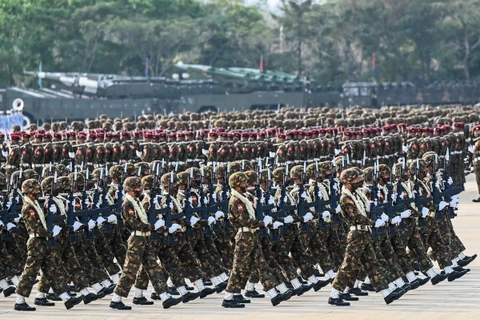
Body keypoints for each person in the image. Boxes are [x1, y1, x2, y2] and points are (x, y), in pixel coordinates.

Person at [109, 177, 183, 310]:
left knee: (154, 268)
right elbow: (134, 224)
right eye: (137, 188)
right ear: (130, 189)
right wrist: (152, 227)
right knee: (130, 271)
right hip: (137, 240)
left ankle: (165, 297)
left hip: (145, 239)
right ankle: (116, 299)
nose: (140, 190)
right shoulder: (128, 204)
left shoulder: (136, 202)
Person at [14, 179, 82, 311]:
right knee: (30, 272)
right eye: (35, 191)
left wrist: (48, 211)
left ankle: (66, 298)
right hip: (36, 242)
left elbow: (43, 221)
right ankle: (19, 301)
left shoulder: (35, 205)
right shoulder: (28, 207)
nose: (37, 193)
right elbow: (36, 227)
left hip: (42, 241)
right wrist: (51, 234)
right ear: (28, 191)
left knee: (52, 270)